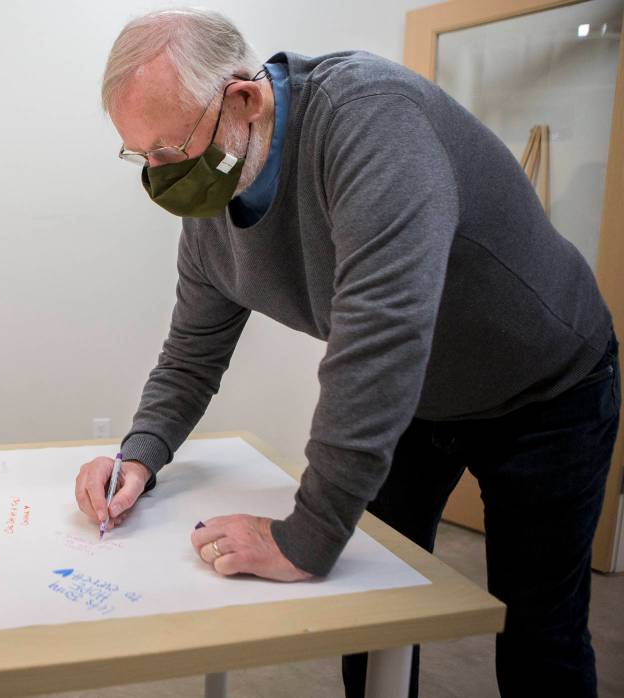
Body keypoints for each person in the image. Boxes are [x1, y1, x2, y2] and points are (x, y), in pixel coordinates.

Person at [73, 8, 620, 697]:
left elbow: (381, 336)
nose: (160, 177)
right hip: (418, 397)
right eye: (141, 155)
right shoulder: (211, 213)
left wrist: (305, 535)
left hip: (547, 384)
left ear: (243, 99)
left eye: (170, 149)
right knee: (370, 618)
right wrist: (139, 455)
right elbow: (190, 354)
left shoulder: (369, 118)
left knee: (539, 632)